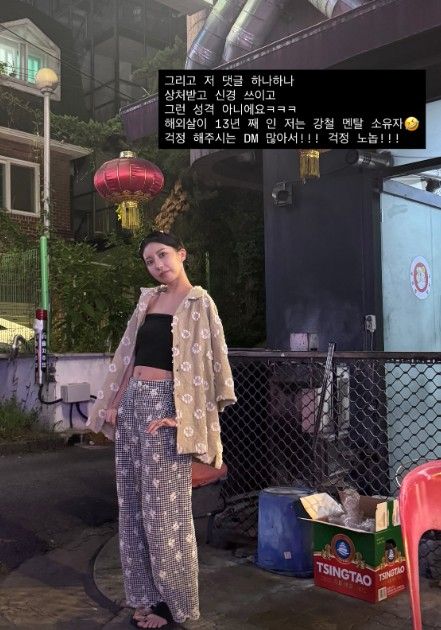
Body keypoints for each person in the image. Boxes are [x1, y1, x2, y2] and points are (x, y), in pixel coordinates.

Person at [87, 230, 236, 629]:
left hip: (167, 407)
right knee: (132, 508)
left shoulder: (199, 302)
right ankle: (145, 597)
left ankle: (175, 605)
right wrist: (116, 402)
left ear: (182, 254)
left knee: (166, 513)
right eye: (149, 261)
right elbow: (130, 355)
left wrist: (185, 417)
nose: (157, 265)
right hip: (134, 403)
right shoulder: (148, 300)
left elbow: (212, 367)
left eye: (163, 255)